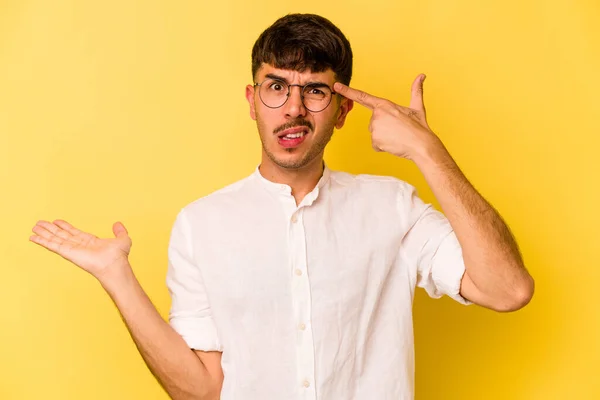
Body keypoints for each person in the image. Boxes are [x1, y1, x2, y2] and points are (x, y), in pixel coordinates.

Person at [29, 13, 534, 400]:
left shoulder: (393, 207)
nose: (293, 108)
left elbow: (508, 289)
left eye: (315, 90)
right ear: (252, 100)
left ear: (341, 112)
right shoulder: (201, 225)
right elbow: (201, 389)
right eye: (276, 87)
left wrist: (428, 150)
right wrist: (116, 275)